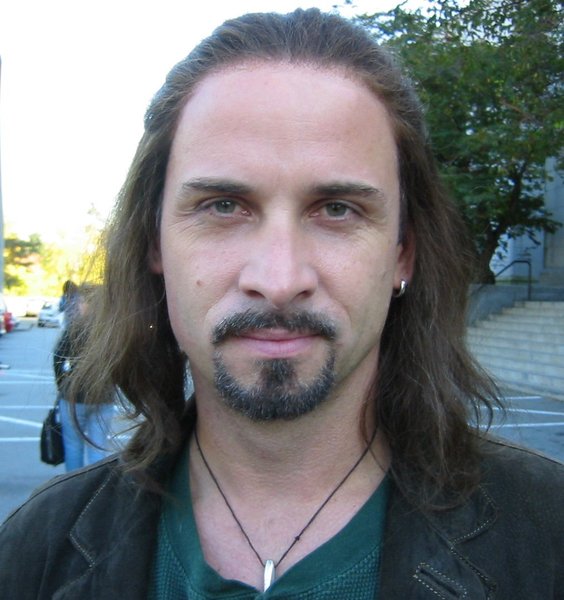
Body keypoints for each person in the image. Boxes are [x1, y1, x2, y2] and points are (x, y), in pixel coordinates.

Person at [0, 9, 562, 599]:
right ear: (154, 243)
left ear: (403, 253)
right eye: (223, 206)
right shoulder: (36, 553)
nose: (278, 279)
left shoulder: (548, 539)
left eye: (337, 209)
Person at [53, 285, 116, 471]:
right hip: (103, 395)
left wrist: (62, 384)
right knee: (98, 446)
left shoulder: (76, 327)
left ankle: (74, 485)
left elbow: (58, 358)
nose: (78, 305)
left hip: (74, 395)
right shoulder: (111, 329)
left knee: (73, 446)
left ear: (88, 303)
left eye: (80, 301)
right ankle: (95, 485)